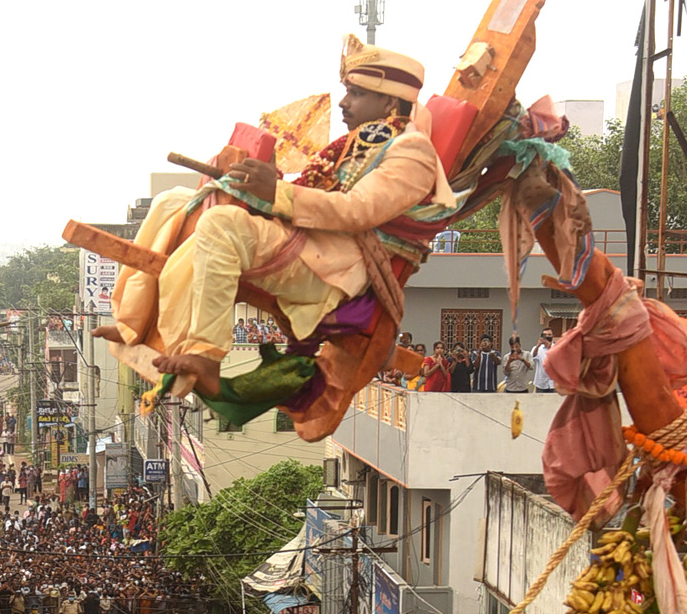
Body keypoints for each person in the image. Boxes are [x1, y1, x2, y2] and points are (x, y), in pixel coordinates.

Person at [99, 39, 447, 400]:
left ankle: (205, 354)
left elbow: (358, 210)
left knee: (221, 226)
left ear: (390, 102)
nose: (344, 102)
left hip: (330, 268)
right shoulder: (362, 142)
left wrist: (276, 193)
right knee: (172, 201)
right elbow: (319, 193)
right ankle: (132, 323)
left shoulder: (413, 151)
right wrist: (265, 183)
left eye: (356, 93)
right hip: (303, 241)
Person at [532, 327, 556, 392]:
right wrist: (538, 345)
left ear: (553, 336)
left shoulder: (557, 347)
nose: (547, 336)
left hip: (553, 383)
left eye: (549, 335)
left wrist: (550, 347)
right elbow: (533, 356)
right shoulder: (538, 348)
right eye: (545, 335)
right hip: (541, 383)